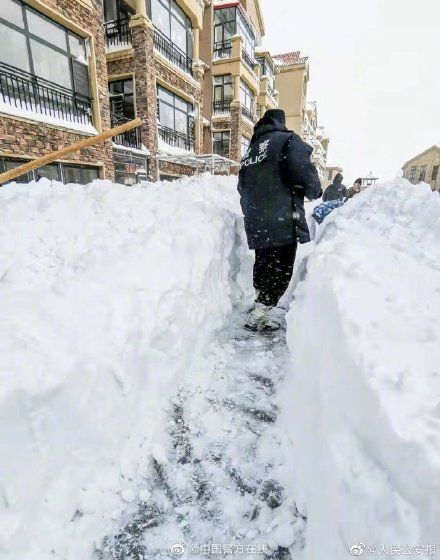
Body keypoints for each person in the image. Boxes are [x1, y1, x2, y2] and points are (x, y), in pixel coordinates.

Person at [237, 109, 322, 331]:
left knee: (263, 264)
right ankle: (260, 313)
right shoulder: (288, 141)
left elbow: (241, 187)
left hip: (257, 222)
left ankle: (259, 303)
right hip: (281, 220)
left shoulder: (251, 151)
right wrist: (314, 190)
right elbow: (305, 174)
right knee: (280, 269)